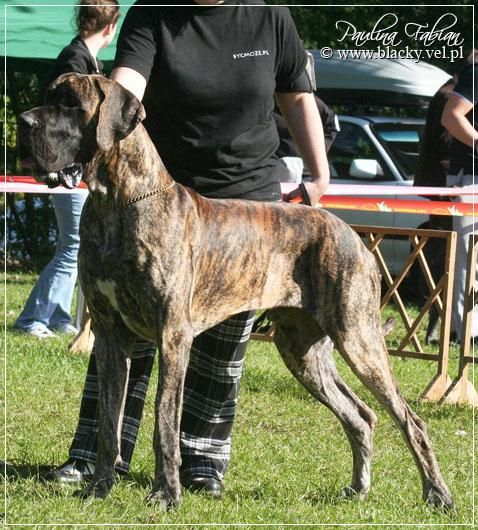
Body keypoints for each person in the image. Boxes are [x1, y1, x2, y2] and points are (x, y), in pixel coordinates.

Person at [49, 0, 330, 496]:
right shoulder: (154, 14)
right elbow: (125, 90)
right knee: (124, 330)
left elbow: (297, 97)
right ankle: (96, 455)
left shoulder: (270, 16)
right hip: (163, 195)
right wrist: (85, 136)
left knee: (221, 346)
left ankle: (201, 463)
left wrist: (319, 172)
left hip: (246, 201)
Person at [14, 0, 119, 339]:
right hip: (64, 166)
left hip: (74, 168)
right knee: (72, 244)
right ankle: (32, 318)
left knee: (73, 244)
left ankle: (58, 314)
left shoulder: (83, 60)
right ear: (110, 27)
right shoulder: (75, 62)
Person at [441, 49, 478, 343]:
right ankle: (467, 333)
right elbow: (451, 116)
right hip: (471, 179)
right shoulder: (476, 74)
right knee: (468, 259)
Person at [273, 94, 339, 182]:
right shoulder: (265, 102)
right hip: (272, 172)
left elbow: (331, 124)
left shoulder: (305, 99)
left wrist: (316, 152)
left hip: (306, 175)